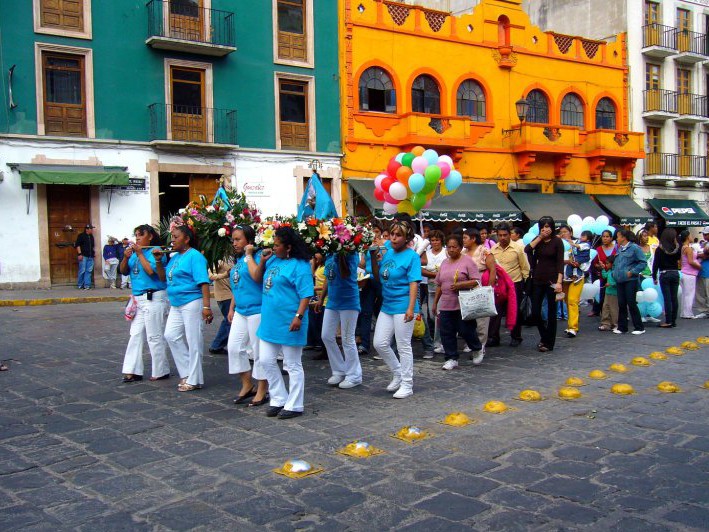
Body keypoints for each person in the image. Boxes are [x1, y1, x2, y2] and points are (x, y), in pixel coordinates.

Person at [256, 227, 314, 419]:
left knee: (292, 364)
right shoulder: (272, 260)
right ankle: (279, 397)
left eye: (277, 244)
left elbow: (306, 294)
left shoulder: (301, 266)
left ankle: (295, 404)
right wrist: (263, 262)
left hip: (290, 321)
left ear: (288, 247)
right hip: (270, 321)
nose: (274, 247)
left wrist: (298, 316)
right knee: (265, 359)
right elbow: (258, 280)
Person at [158, 225, 212, 392]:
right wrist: (159, 261)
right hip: (176, 303)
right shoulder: (174, 257)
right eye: (171, 237)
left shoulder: (194, 256)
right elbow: (162, 278)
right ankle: (187, 372)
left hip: (191, 302)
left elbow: (203, 282)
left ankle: (195, 379)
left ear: (186, 239)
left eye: (176, 237)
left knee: (193, 340)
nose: (172, 240)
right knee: (171, 335)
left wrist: (206, 306)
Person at [371, 220, 421, 399]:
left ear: (406, 237)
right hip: (388, 304)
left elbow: (413, 283)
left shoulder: (412, 256)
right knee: (379, 343)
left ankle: (407, 384)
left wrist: (411, 308)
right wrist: (373, 259)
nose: (393, 237)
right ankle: (398, 372)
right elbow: (379, 277)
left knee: (403, 345)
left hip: (404, 304)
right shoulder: (387, 253)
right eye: (391, 234)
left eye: (398, 235)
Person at [119, 224, 171, 383]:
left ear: (150, 236)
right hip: (138, 298)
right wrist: (126, 257)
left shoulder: (156, 251)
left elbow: (151, 271)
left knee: (154, 335)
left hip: (153, 296)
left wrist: (140, 254)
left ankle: (161, 369)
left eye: (141, 235)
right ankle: (132, 370)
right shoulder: (134, 254)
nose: (138, 238)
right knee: (135, 334)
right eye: (136, 235)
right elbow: (123, 271)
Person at [227, 226, 268, 407]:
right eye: (233, 240)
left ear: (249, 241)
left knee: (258, 352)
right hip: (240, 311)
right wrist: (231, 308)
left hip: (257, 310)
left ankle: (262, 388)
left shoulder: (257, 258)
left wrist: (250, 254)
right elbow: (237, 286)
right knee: (234, 348)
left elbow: (256, 278)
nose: (234, 243)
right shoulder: (238, 261)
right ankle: (247, 383)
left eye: (238, 239)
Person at [433, 234, 482, 370]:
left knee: (466, 330)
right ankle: (451, 357)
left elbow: (476, 280)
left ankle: (477, 348)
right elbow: (439, 284)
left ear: (460, 247)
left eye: (454, 247)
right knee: (446, 332)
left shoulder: (467, 261)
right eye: (449, 247)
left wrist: (461, 285)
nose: (451, 250)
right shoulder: (444, 263)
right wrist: (435, 303)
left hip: (463, 304)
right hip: (446, 304)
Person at [316, 252, 362, 389]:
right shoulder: (330, 255)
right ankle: (339, 369)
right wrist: (321, 298)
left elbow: (345, 274)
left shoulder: (351, 256)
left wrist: (341, 254)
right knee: (326, 336)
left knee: (347, 339)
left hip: (349, 301)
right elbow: (328, 278)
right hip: (332, 301)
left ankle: (354, 375)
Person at [524, 216, 564, 352]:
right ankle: (544, 336)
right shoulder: (538, 240)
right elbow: (527, 250)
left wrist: (559, 282)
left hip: (552, 280)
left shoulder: (557, 241)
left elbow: (560, 263)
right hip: (538, 279)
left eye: (548, 226)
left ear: (552, 227)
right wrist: (540, 237)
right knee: (535, 311)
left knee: (552, 312)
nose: (546, 229)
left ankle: (549, 342)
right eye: (543, 226)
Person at [490, 223, 529, 347]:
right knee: (496, 312)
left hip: (514, 283)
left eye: (505, 235)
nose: (502, 238)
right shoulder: (493, 250)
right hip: (499, 285)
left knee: (514, 310)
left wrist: (525, 285)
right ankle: (494, 337)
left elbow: (525, 267)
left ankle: (516, 336)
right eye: (500, 235)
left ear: (509, 234)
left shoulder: (518, 248)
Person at [463, 228, 495, 362]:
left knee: (481, 318)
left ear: (473, 239)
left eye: (465, 238)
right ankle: (471, 342)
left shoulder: (484, 251)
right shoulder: (463, 252)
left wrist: (489, 289)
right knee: (468, 317)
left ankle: (481, 345)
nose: (463, 240)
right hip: (465, 286)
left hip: (480, 285)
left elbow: (492, 270)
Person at [612, 229, 646, 335]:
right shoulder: (619, 249)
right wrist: (614, 273)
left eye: (618, 236)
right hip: (620, 279)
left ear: (623, 237)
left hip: (630, 280)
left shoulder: (634, 248)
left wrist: (632, 272)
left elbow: (642, 262)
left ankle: (639, 327)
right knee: (621, 303)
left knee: (631, 302)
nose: (617, 238)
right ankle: (622, 327)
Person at [558, 226, 588, 339]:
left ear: (570, 232)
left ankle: (573, 327)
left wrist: (573, 245)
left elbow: (586, 249)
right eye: (561, 232)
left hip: (577, 277)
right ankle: (571, 324)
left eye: (565, 232)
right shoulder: (558, 244)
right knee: (566, 300)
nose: (563, 234)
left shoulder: (577, 243)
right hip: (564, 277)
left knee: (572, 300)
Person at [422, 230, 447, 354]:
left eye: (437, 240)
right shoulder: (427, 253)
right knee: (432, 315)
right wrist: (434, 274)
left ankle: (438, 342)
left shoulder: (446, 252)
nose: (435, 242)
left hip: (443, 288)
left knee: (438, 315)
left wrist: (440, 275)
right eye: (433, 240)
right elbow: (421, 269)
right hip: (430, 287)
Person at [652, 228, 681, 328]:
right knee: (674, 298)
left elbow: (655, 263)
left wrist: (654, 276)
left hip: (664, 273)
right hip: (675, 273)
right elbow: (678, 259)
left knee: (667, 298)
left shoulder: (660, 249)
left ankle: (668, 321)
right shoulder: (677, 248)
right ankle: (673, 321)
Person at [208, 259, 233, 355]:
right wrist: (225, 275)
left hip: (232, 293)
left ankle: (217, 345)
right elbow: (210, 275)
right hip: (225, 295)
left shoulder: (232, 258)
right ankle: (216, 345)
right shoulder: (219, 260)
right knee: (229, 320)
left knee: (229, 320)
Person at [591, 229, 617, 317]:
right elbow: (595, 263)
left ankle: (615, 316)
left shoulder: (616, 248)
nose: (605, 238)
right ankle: (605, 317)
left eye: (607, 237)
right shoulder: (598, 249)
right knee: (603, 297)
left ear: (611, 238)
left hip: (614, 277)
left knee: (615, 297)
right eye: (603, 236)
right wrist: (599, 266)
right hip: (603, 276)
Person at [307, 252, 327, 359]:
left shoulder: (325, 267)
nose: (315, 255)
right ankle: (317, 344)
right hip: (318, 298)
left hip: (325, 299)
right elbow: (312, 276)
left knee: (321, 324)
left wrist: (315, 288)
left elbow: (326, 284)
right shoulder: (319, 266)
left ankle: (324, 349)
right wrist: (314, 263)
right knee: (316, 322)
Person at [679, 229, 702, 319]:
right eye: (691, 236)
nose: (692, 237)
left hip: (684, 272)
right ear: (688, 237)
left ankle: (684, 312)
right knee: (689, 294)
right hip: (689, 273)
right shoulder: (688, 248)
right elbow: (690, 261)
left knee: (685, 294)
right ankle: (688, 313)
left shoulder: (683, 247)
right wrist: (699, 267)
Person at [598, 255, 619, 331]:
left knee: (614, 309)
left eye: (607, 263)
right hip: (608, 292)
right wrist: (603, 268)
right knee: (605, 307)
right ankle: (605, 323)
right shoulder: (609, 271)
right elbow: (604, 276)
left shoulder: (616, 272)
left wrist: (611, 284)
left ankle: (615, 324)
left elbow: (618, 282)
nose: (606, 265)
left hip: (614, 293)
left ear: (612, 264)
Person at [75, 224, 95, 290]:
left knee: (89, 271)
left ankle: (87, 285)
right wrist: (79, 254)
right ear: (87, 229)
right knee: (82, 270)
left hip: (90, 256)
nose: (92, 230)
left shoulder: (91, 236)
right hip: (83, 256)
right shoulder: (81, 236)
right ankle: (80, 284)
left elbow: (92, 246)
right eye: (91, 229)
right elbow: (77, 245)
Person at [694, 231, 709, 318]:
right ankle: (703, 310)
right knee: (700, 292)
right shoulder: (704, 244)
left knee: (707, 292)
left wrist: (699, 255)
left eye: (706, 234)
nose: (704, 236)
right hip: (701, 271)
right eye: (703, 234)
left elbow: (705, 255)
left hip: (707, 271)